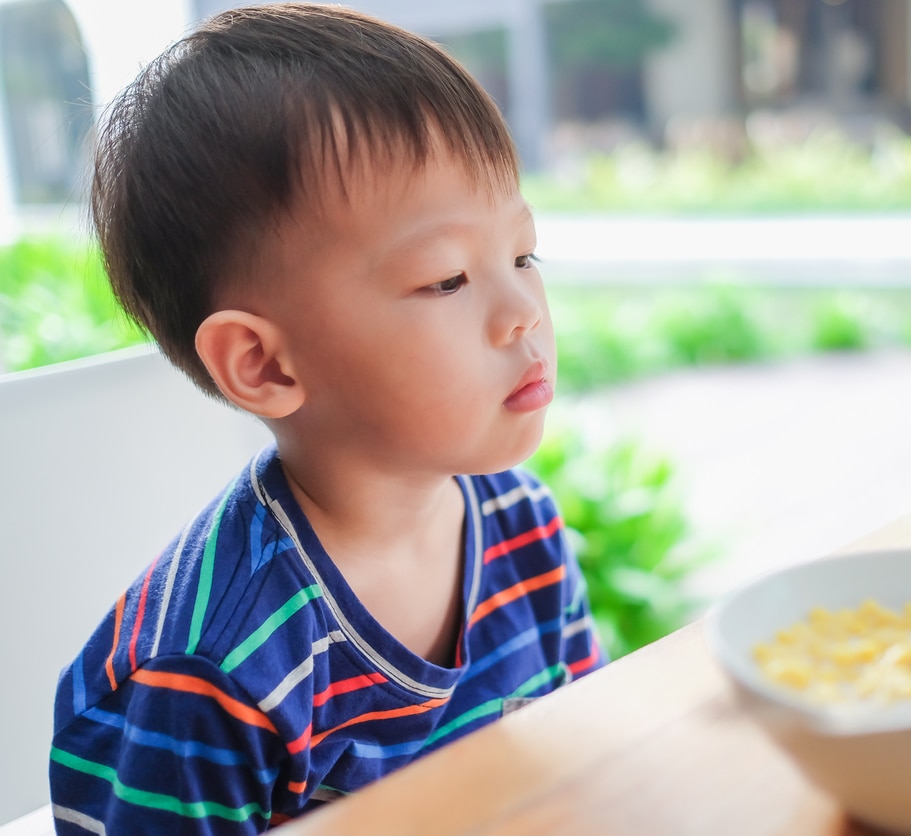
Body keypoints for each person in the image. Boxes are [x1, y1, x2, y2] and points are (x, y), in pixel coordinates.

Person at [48, 4, 603, 833]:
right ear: (265, 363)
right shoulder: (212, 671)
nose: (524, 310)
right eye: (447, 278)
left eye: (522, 255)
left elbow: (593, 763)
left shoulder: (523, 527)